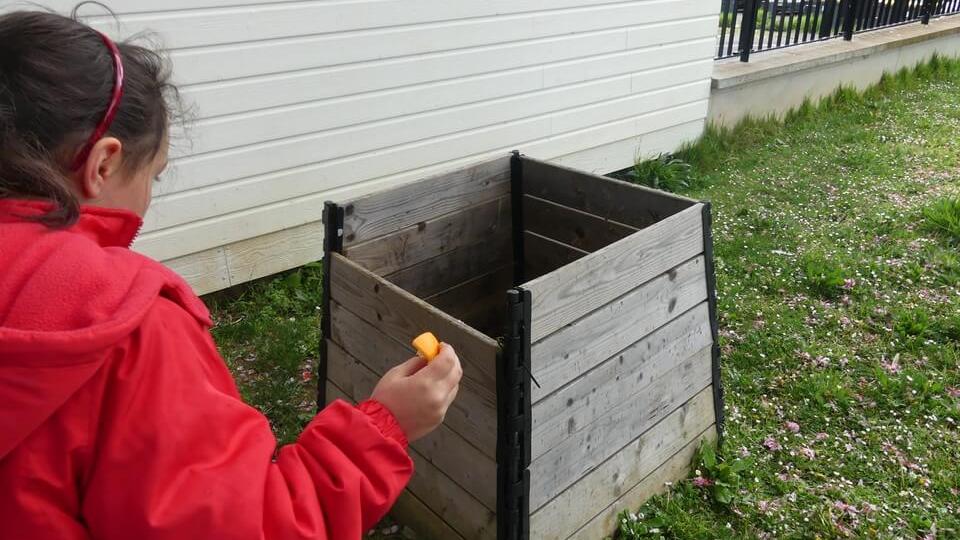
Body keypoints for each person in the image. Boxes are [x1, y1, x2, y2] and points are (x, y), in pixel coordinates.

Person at [0, 10, 462, 539]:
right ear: (103, 164)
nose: (147, 198)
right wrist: (384, 429)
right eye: (153, 173)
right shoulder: (129, 334)